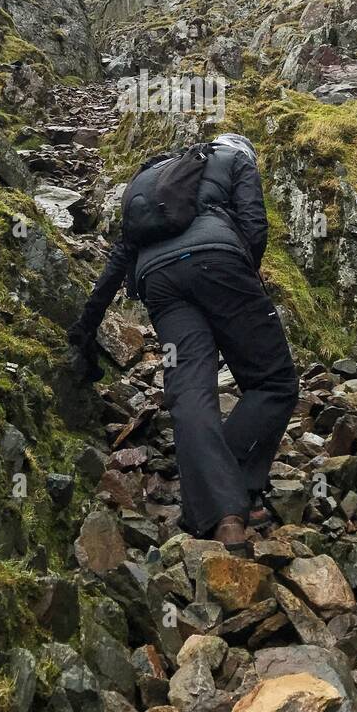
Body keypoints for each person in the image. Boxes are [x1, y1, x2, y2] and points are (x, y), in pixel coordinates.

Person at [68, 132, 299, 555]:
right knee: (274, 382)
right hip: (220, 262)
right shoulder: (236, 158)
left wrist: (85, 328)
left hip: (160, 282)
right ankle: (232, 488)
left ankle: (221, 512)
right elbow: (253, 223)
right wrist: (242, 276)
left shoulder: (147, 182)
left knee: (191, 390)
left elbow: (120, 258)